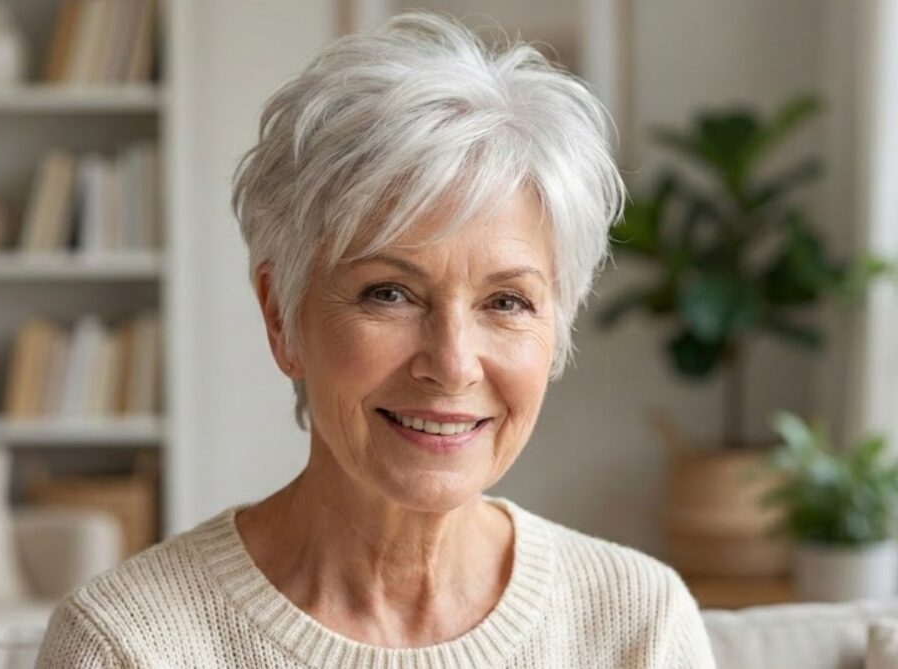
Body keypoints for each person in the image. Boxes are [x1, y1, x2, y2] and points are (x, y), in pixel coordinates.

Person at [36, 11, 717, 668]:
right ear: (282, 315)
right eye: (389, 293)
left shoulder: (639, 623)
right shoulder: (128, 644)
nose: (452, 363)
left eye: (506, 301)